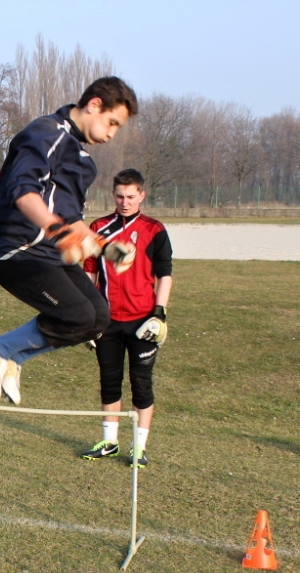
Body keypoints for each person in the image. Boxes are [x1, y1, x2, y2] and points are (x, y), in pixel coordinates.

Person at [0, 76, 139, 406]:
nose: (111, 134)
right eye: (111, 123)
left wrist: (106, 248)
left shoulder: (82, 160)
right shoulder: (45, 133)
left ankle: (13, 360)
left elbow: (71, 218)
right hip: (15, 250)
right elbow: (23, 191)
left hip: (48, 254)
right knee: (77, 315)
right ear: (94, 105)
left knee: (97, 318)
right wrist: (54, 228)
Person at [81, 168, 172, 468]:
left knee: (141, 383)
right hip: (107, 321)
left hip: (142, 321)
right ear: (113, 195)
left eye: (131, 196)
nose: (125, 201)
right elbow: (89, 271)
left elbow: (164, 274)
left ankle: (139, 447)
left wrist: (159, 314)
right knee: (109, 381)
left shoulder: (154, 230)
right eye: (119, 196)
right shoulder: (99, 227)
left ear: (141, 195)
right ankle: (109, 442)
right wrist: (88, 315)